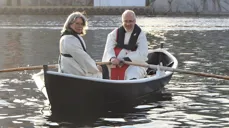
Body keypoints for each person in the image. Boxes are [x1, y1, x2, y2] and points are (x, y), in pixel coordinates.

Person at [102, 10, 148, 80]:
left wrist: (125, 59)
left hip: (134, 64)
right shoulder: (114, 33)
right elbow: (108, 48)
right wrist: (112, 58)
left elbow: (142, 54)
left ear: (135, 21)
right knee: (102, 70)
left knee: (134, 73)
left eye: (130, 21)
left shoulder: (141, 35)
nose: (128, 24)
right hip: (116, 63)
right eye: (125, 21)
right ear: (122, 21)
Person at [58, 11, 102, 78]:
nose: (80, 26)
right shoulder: (69, 39)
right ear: (70, 24)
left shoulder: (72, 36)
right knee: (100, 73)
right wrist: (95, 68)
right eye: (77, 23)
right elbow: (82, 58)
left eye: (82, 24)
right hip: (74, 74)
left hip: (71, 72)